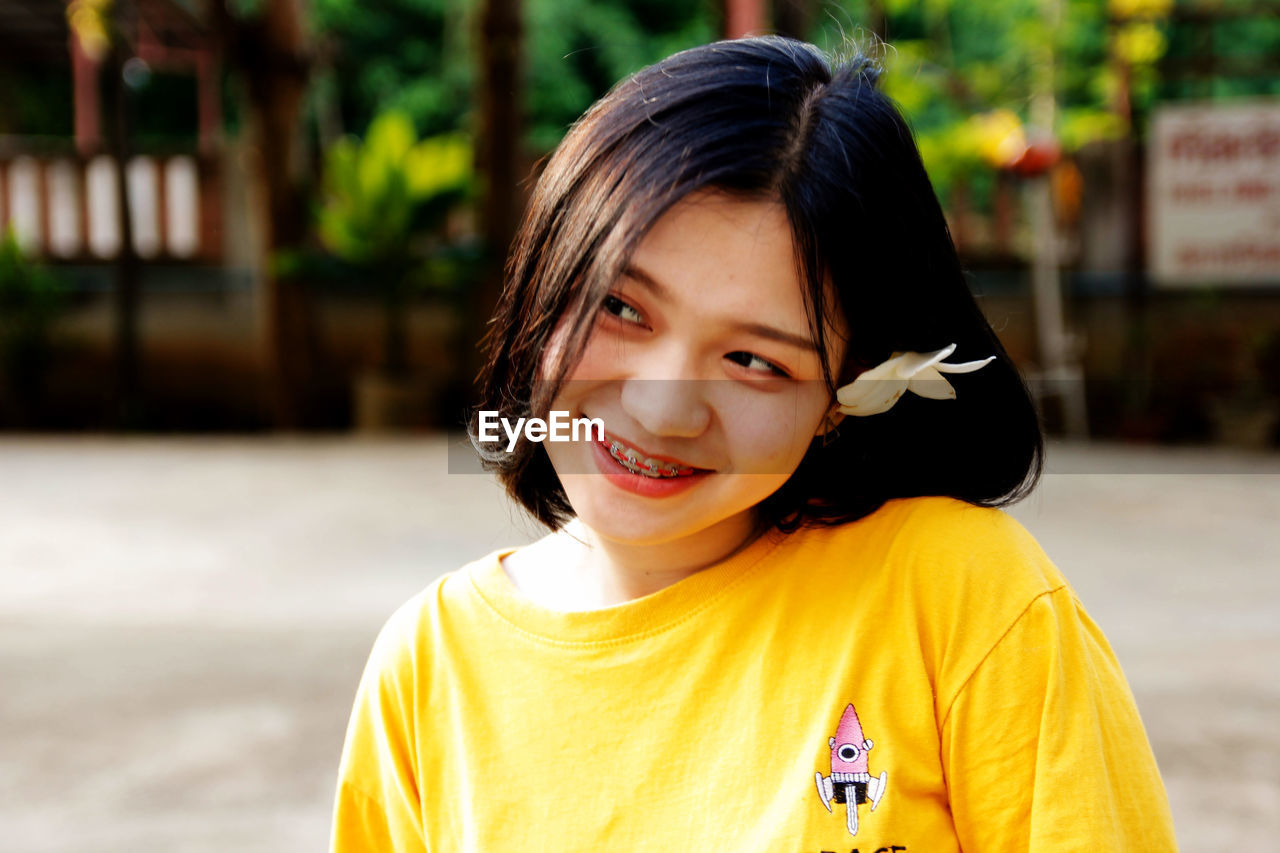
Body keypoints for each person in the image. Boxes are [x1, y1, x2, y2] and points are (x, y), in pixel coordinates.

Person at [330, 36, 1176, 851]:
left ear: (845, 397)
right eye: (622, 308)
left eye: (753, 361)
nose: (663, 411)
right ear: (544, 287)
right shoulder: (427, 666)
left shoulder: (963, 598)